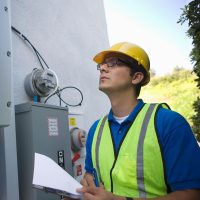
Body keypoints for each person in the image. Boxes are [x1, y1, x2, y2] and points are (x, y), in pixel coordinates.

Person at [66, 42, 200, 200]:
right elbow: (90, 174)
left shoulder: (169, 123)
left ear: (136, 77)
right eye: (102, 65)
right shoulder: (96, 129)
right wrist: (87, 185)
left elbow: (192, 194)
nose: (103, 68)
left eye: (114, 63)